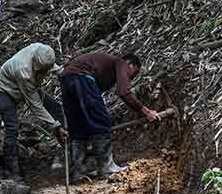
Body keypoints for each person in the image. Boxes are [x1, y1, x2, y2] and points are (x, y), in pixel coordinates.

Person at [60, 50, 160, 182]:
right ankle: (106, 167)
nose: (131, 78)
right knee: (101, 120)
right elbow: (124, 92)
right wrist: (146, 111)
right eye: (134, 73)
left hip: (66, 79)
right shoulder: (121, 62)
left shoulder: (104, 69)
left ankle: (77, 171)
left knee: (78, 126)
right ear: (130, 64)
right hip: (82, 77)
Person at [0, 43, 67, 178]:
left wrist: (65, 75)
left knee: (56, 108)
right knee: (12, 127)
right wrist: (55, 125)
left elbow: (54, 68)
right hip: (5, 90)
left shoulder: (43, 51)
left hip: (27, 84)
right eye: (42, 71)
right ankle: (11, 170)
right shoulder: (24, 72)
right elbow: (36, 106)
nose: (45, 74)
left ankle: (67, 147)